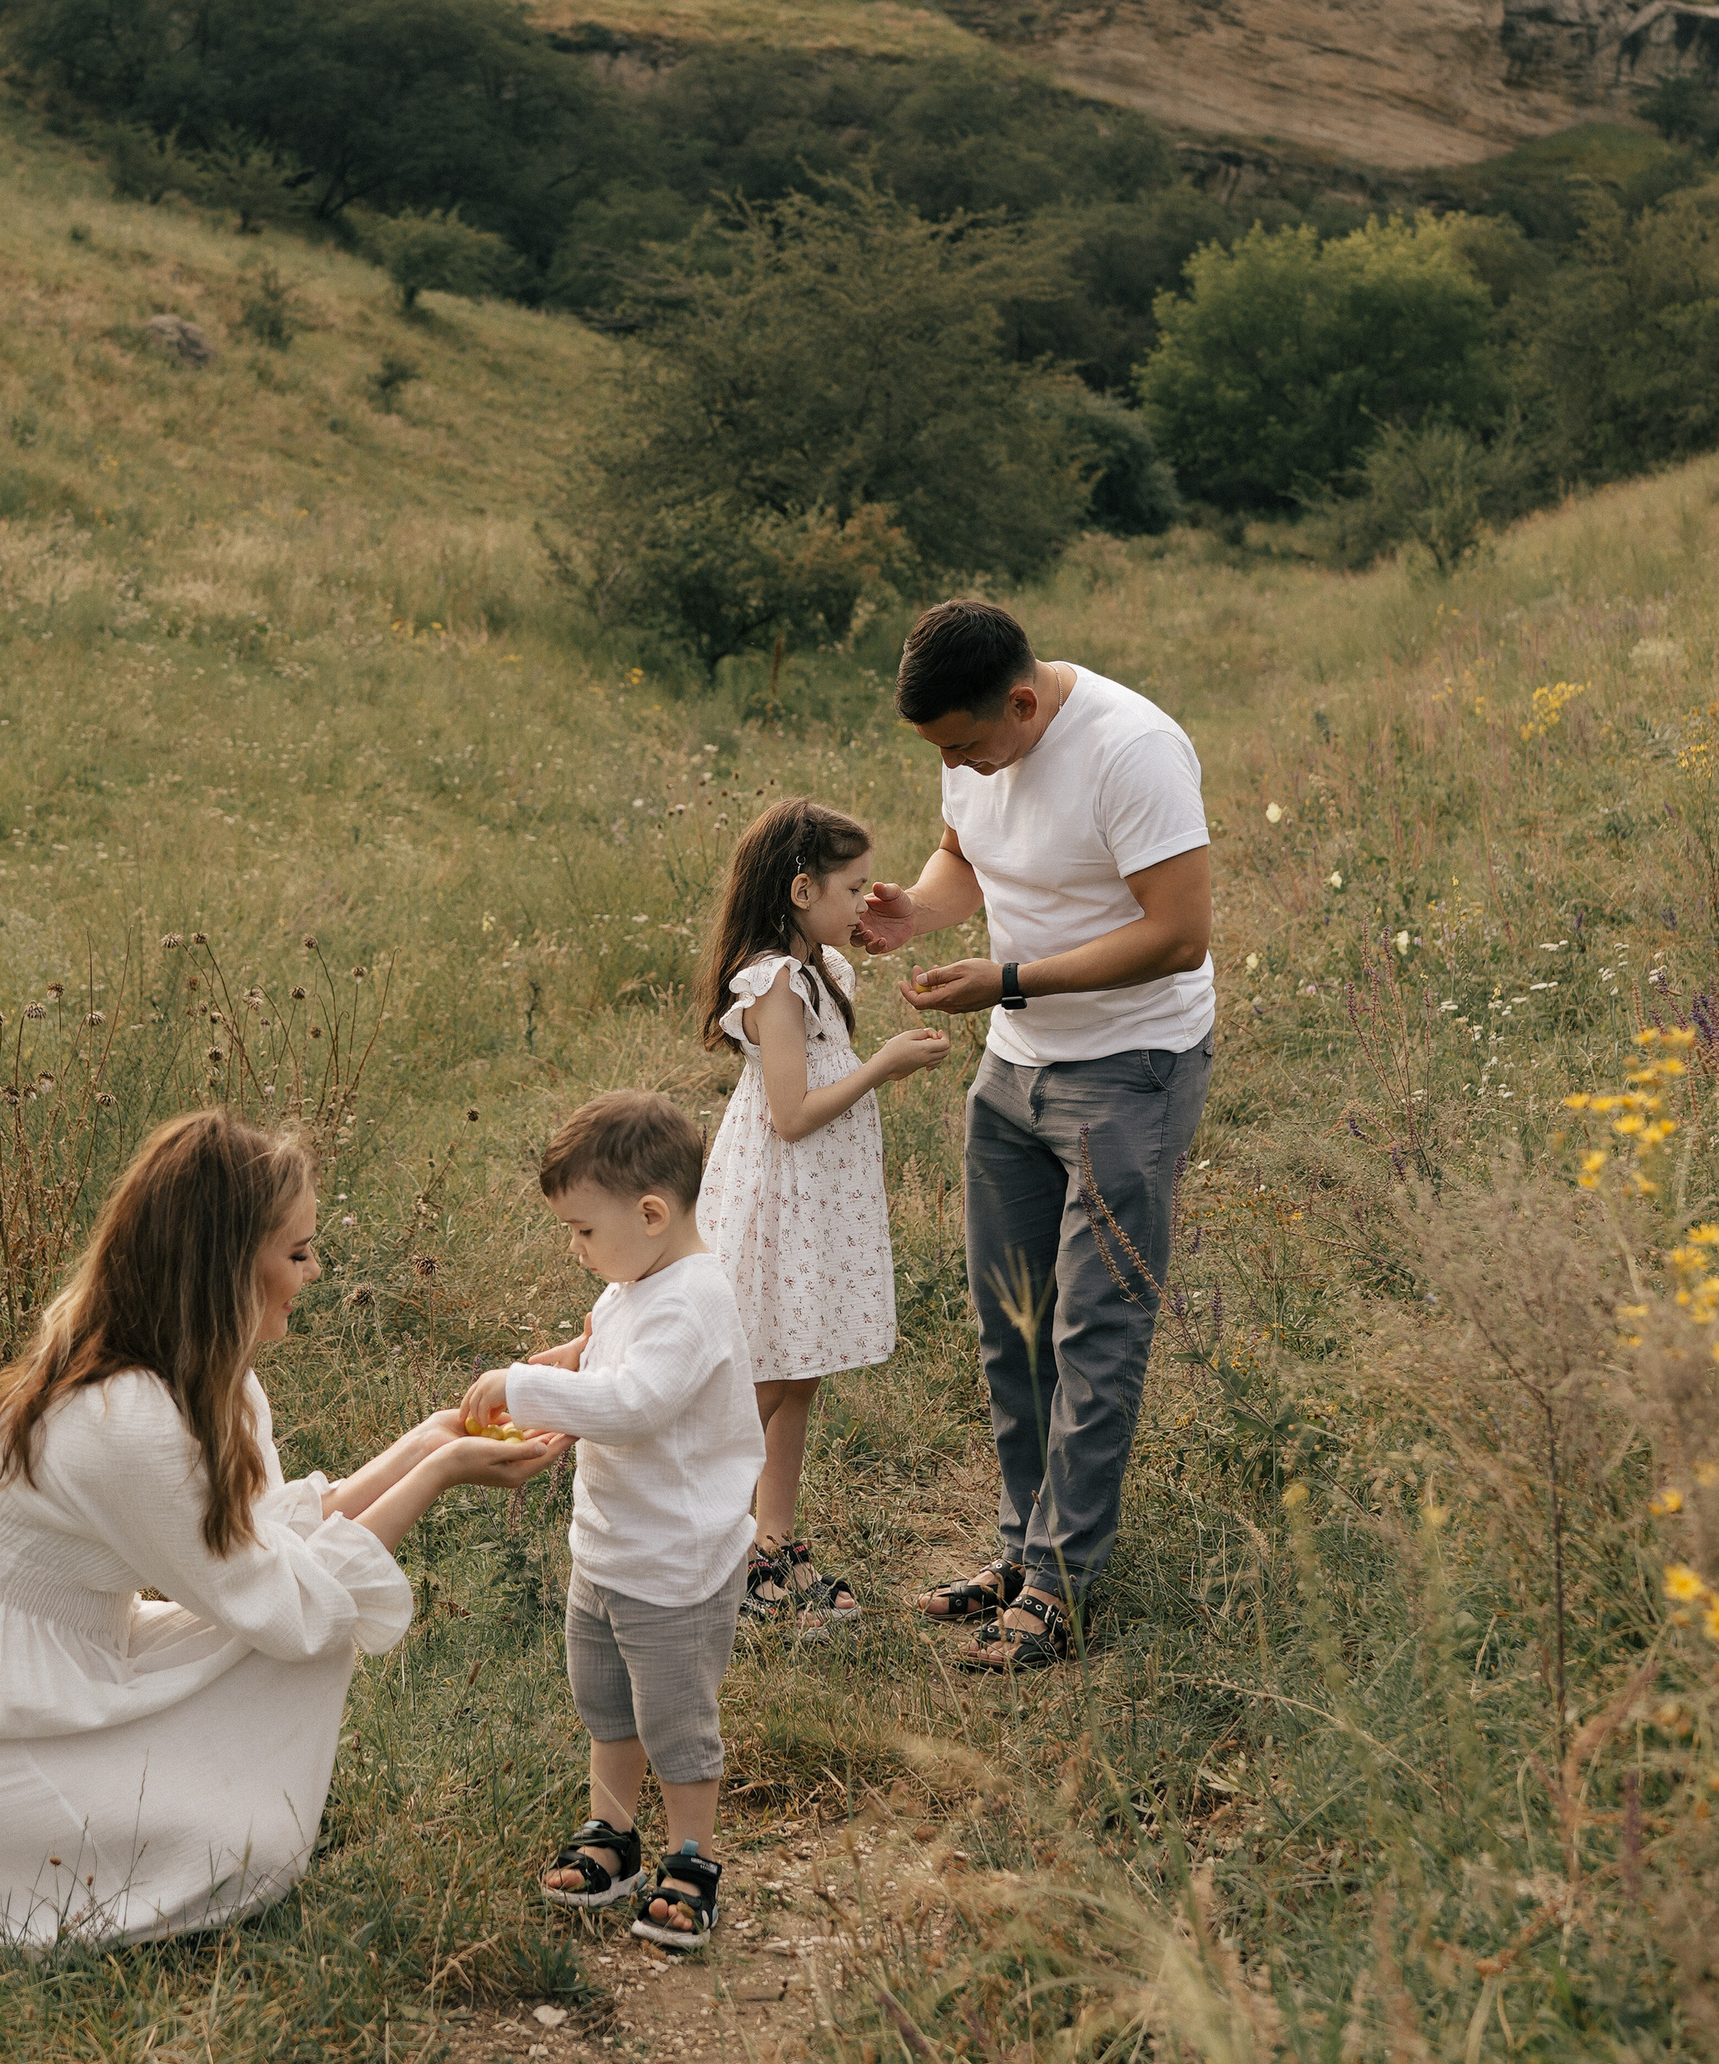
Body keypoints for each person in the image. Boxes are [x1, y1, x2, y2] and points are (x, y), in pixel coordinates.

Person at [0, 1109, 562, 2050]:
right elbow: (287, 1605)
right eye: (297, 1254)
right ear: (227, 1267)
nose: (312, 1275)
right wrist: (436, 1475)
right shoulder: (123, 1420)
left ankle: (65, 1849)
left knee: (260, 1694)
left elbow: (265, 1550)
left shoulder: (192, 1374)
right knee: (241, 1811)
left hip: (25, 1679)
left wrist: (430, 1438)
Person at [853, 597, 1214, 1671]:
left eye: (967, 745)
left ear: (1022, 700)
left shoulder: (1132, 749)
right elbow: (964, 854)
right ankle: (1020, 1551)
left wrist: (1007, 980)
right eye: (942, 754)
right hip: (1014, 1072)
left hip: (1129, 1068)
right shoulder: (972, 748)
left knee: (1094, 1333)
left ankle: (1062, 1585)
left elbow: (1179, 934)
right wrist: (918, 907)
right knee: (1010, 1322)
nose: (958, 765)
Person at [460, 1091, 763, 1953]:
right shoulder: (638, 1280)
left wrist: (525, 1385)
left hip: (676, 1565)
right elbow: (608, 1351)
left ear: (653, 1213)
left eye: (585, 1231)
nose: (577, 1247)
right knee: (607, 1706)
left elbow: (636, 1402)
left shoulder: (693, 1297)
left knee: (676, 1721)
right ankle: (613, 1838)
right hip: (607, 1552)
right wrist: (568, 1359)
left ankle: (691, 1861)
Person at [692, 797, 950, 1630]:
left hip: (820, 1194)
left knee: (800, 1366)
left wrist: (870, 941)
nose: (863, 901)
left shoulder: (824, 970)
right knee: (762, 1379)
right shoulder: (772, 984)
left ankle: (775, 1543)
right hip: (782, 1190)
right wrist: (882, 1067)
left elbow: (818, 1083)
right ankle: (706, 1549)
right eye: (852, 888)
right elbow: (792, 1112)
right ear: (803, 892)